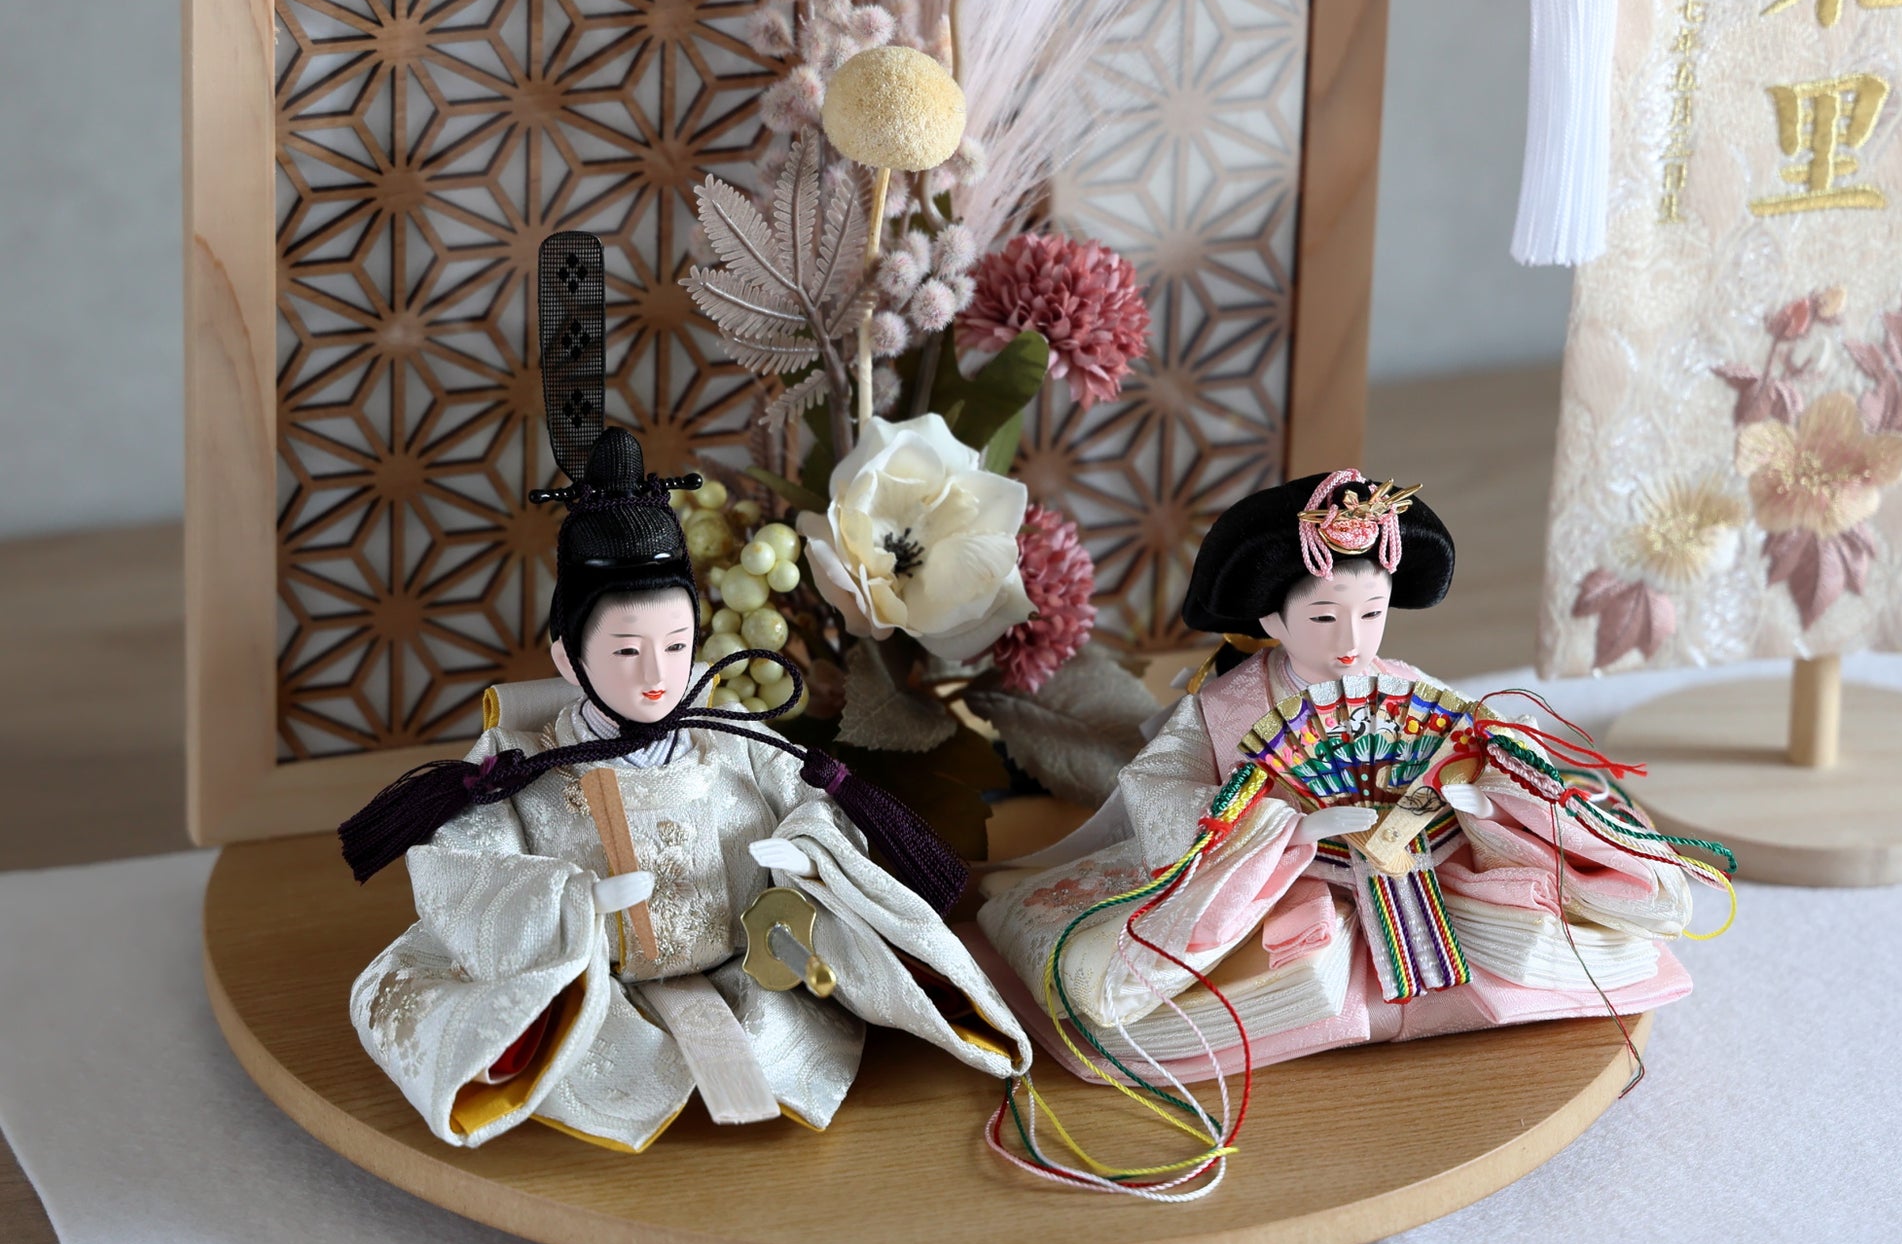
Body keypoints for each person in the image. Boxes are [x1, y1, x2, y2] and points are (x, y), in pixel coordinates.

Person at [343, 425, 1030, 1151]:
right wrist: (572, 902)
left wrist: (806, 852)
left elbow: (814, 808)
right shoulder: (521, 763)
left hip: (752, 975)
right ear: (568, 658)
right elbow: (465, 868)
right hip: (599, 999)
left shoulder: (735, 738)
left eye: (676, 646)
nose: (656, 675)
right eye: (626, 650)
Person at [978, 469, 1708, 1069]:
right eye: (1326, 617)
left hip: (1425, 877)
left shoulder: (1407, 686)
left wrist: (1483, 802)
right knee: (1240, 976)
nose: (1353, 639)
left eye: (1372, 613)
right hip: (1286, 888)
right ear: (1272, 621)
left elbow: (1484, 750)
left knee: (1538, 935)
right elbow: (1156, 787)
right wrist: (1283, 829)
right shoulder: (1224, 707)